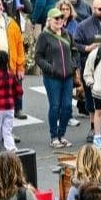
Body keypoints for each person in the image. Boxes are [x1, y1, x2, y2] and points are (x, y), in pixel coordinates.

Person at [34, 8, 76, 148]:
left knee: (67, 107)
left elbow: (74, 51)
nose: (59, 21)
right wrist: (50, 68)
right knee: (55, 106)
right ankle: (53, 137)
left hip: (68, 76)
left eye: (61, 18)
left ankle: (61, 134)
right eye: (56, 18)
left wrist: (73, 65)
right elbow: (38, 57)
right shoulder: (44, 36)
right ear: (49, 20)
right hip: (52, 78)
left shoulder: (67, 34)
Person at [0, 51, 22, 156]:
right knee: (7, 131)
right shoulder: (11, 75)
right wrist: (12, 99)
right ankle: (12, 152)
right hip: (9, 107)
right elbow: (19, 91)